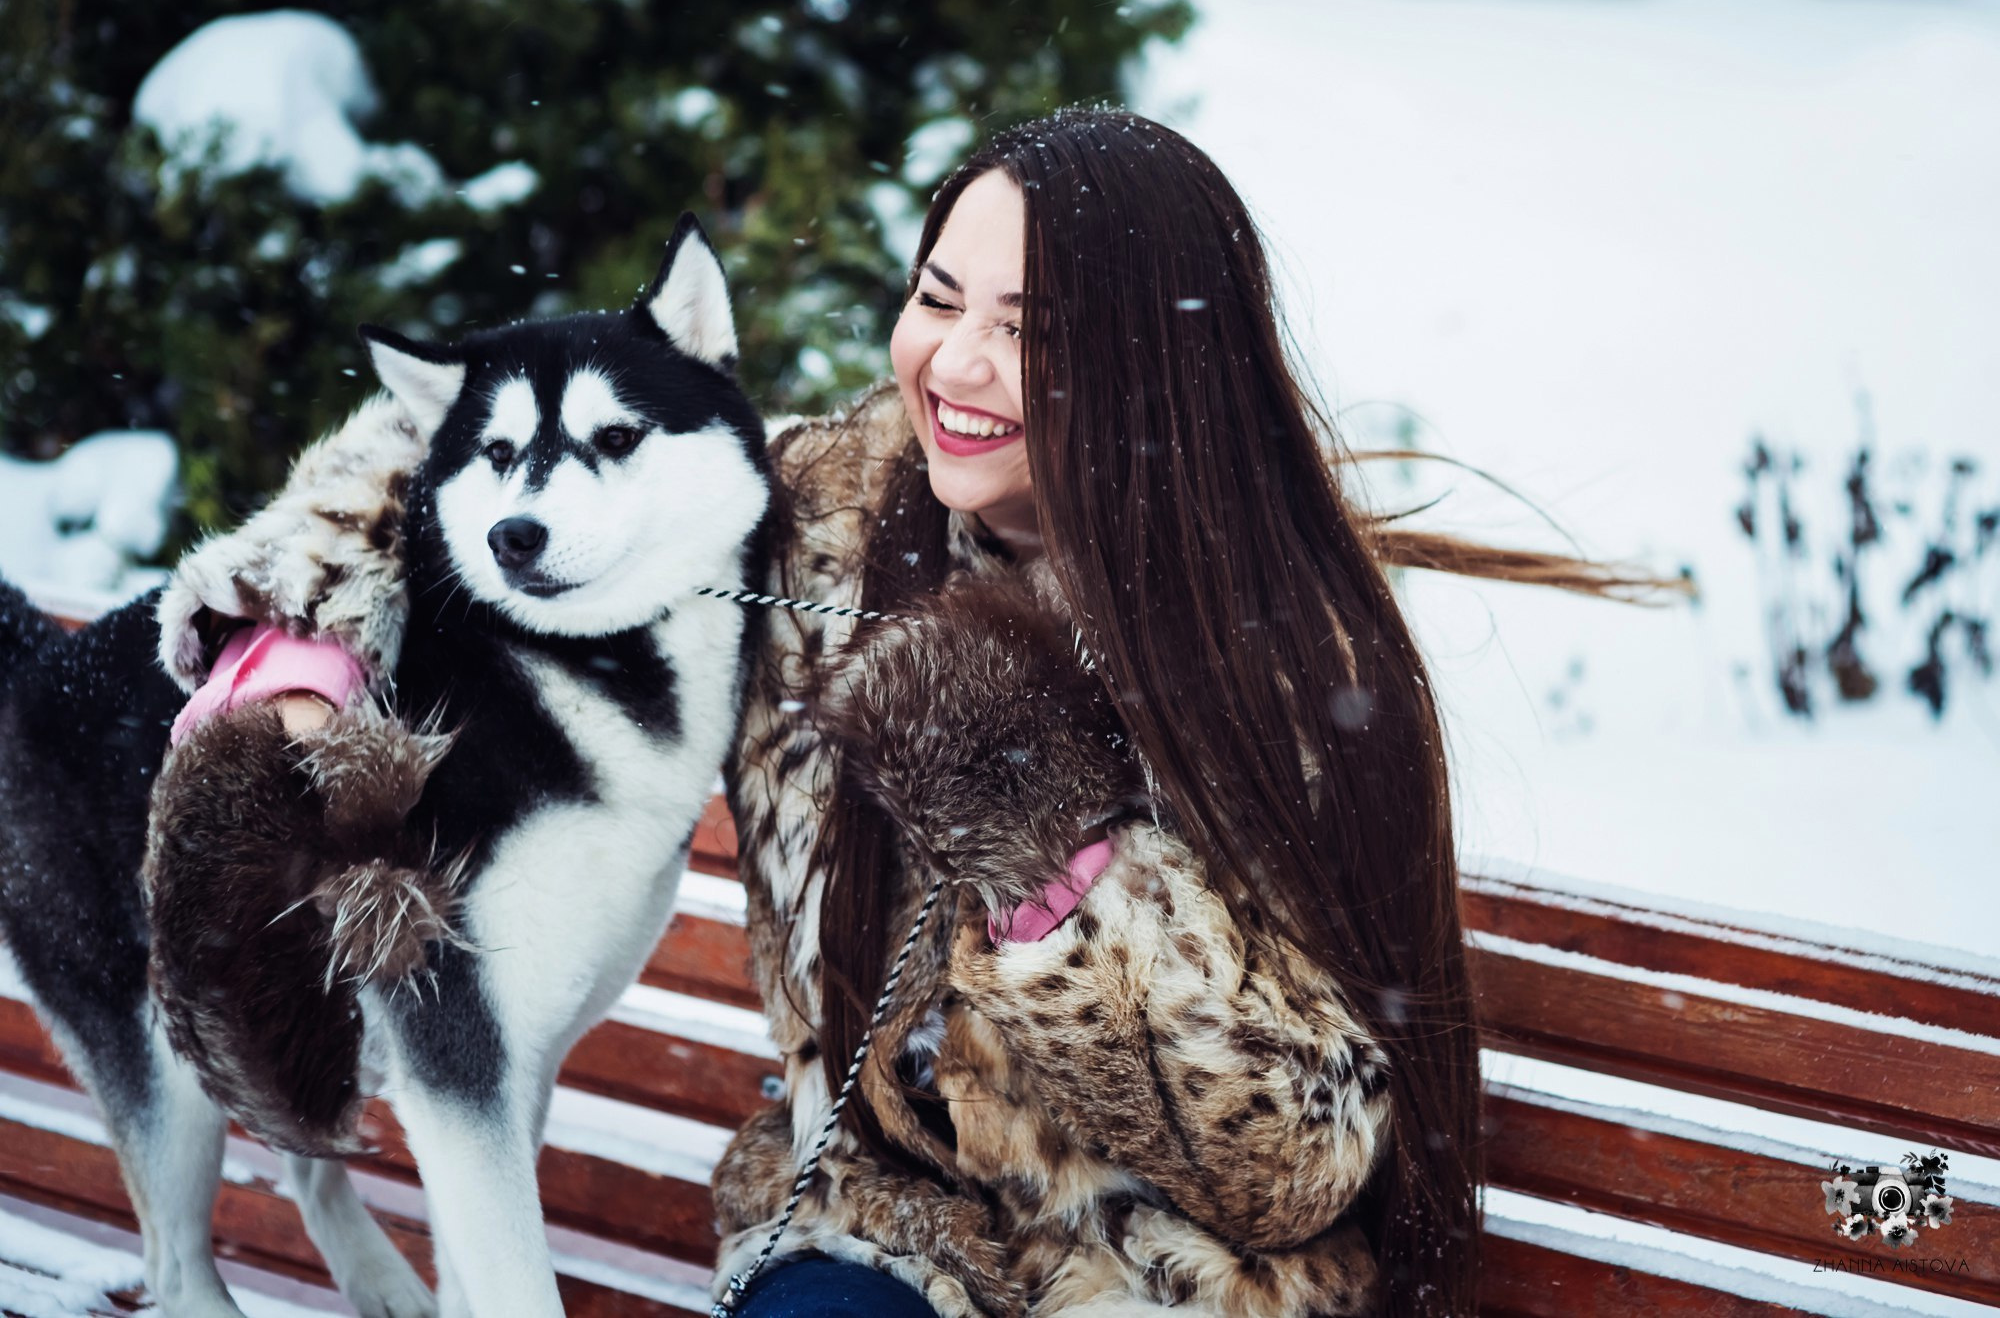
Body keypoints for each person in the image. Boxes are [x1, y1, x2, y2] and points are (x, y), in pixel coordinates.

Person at [167, 107, 1665, 1318]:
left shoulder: (1272, 658)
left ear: (1153, 358)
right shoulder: (821, 514)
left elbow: (1294, 1164)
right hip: (876, 1228)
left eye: (1026, 326)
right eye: (937, 297)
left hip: (1175, 1282)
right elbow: (471, 456)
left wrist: (1037, 840)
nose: (952, 363)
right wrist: (292, 668)